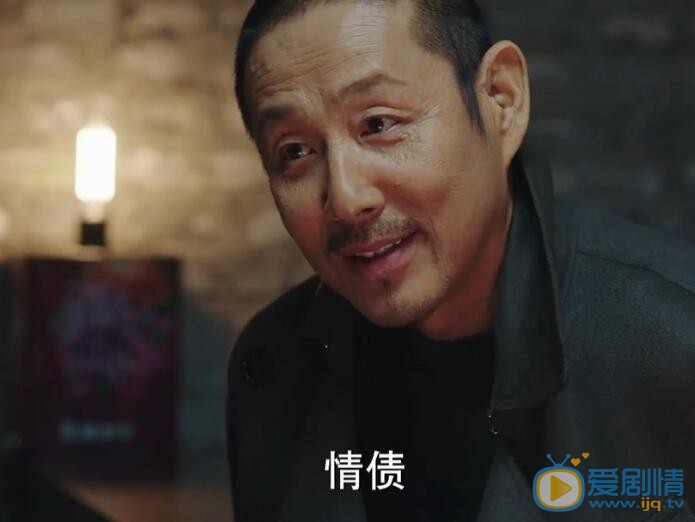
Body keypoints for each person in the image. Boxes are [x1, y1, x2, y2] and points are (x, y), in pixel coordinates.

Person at [226, 0, 695, 520]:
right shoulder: (279, 363)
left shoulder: (671, 341)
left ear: (501, 99)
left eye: (379, 123)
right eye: (294, 152)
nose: (346, 198)